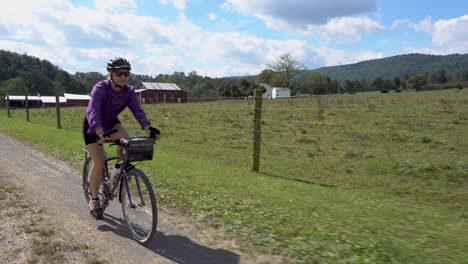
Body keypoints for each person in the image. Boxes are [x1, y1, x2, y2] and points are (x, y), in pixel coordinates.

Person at [82, 57, 160, 220]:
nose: (123, 77)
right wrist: (98, 131)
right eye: (119, 73)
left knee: (125, 138)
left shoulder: (129, 91)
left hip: (111, 123)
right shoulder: (100, 88)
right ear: (111, 74)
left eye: (126, 74)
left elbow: (137, 111)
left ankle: (117, 170)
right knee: (99, 162)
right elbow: (93, 111)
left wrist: (148, 128)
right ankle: (95, 199)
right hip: (93, 126)